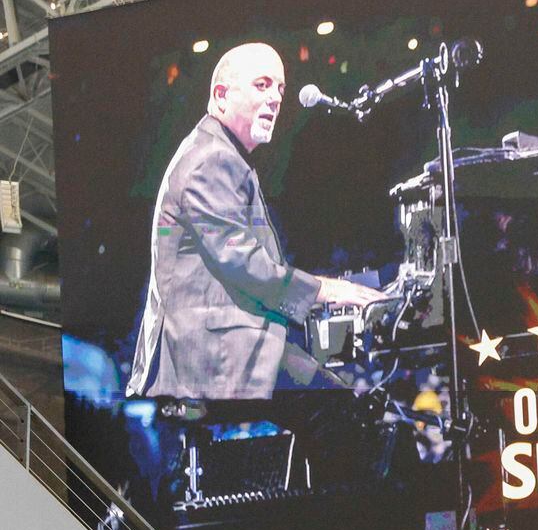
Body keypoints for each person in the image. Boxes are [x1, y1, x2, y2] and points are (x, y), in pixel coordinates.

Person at [127, 42, 380, 401]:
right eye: (262, 85)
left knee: (335, 397)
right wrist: (325, 291)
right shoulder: (211, 159)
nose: (276, 99)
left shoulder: (221, 152)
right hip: (213, 354)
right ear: (221, 95)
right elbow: (243, 263)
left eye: (279, 89)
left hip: (223, 345)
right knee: (342, 408)